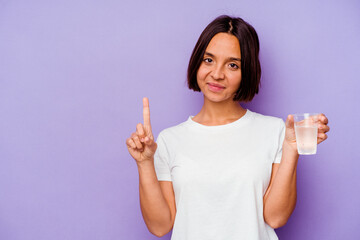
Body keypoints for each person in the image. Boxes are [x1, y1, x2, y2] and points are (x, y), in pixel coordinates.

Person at [126, 15, 330, 240]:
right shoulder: (169, 140)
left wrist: (292, 149)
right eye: (209, 60)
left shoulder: (274, 131)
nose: (217, 74)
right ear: (197, 63)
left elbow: (276, 218)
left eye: (233, 65)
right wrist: (145, 163)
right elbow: (160, 226)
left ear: (247, 72)